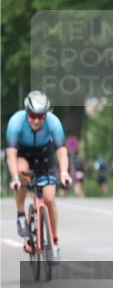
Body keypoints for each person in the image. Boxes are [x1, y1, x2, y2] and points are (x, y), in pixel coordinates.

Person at [5, 91, 72, 262]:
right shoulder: (16, 122)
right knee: (22, 177)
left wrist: (64, 172)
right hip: (23, 154)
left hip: (44, 155)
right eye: (32, 116)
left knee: (49, 199)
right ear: (27, 113)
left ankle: (54, 243)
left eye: (40, 116)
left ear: (46, 114)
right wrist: (14, 178)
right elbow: (11, 154)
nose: (36, 120)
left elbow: (62, 150)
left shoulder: (54, 122)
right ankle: (21, 214)